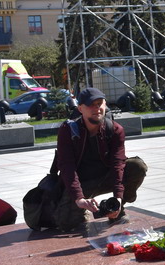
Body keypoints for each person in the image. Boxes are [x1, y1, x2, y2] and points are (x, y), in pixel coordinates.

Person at [50, 87, 147, 231]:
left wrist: (118, 197)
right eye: (91, 105)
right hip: (82, 182)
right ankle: (85, 209)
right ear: (80, 108)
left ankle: (116, 210)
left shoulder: (115, 130)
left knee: (137, 166)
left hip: (105, 177)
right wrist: (79, 198)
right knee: (67, 224)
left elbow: (117, 164)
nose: (97, 108)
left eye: (100, 103)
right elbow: (67, 167)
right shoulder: (68, 130)